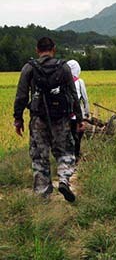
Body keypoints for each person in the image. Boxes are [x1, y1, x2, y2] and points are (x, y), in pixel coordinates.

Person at [13, 37, 83, 202]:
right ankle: (64, 180)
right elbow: (73, 95)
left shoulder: (29, 68)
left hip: (39, 119)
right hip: (62, 119)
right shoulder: (64, 67)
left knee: (39, 156)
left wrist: (18, 119)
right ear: (54, 49)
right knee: (65, 151)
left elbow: (21, 96)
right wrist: (79, 118)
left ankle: (43, 196)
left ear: (37, 50)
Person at [67, 59, 89, 162]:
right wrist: (86, 113)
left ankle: (68, 156)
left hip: (65, 115)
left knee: (68, 135)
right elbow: (85, 99)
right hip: (77, 114)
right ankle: (76, 155)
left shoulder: (62, 82)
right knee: (78, 135)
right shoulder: (80, 82)